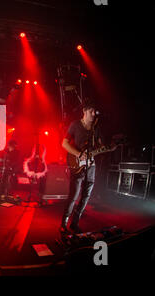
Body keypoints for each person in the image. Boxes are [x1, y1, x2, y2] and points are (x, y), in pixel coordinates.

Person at [60, 99, 103, 234]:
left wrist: (106, 148)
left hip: (91, 165)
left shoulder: (96, 129)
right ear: (84, 111)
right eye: (91, 111)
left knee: (86, 195)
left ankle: (75, 222)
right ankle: (64, 223)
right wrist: (78, 154)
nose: (93, 114)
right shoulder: (75, 125)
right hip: (77, 163)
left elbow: (100, 145)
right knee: (74, 195)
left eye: (94, 112)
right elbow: (64, 144)